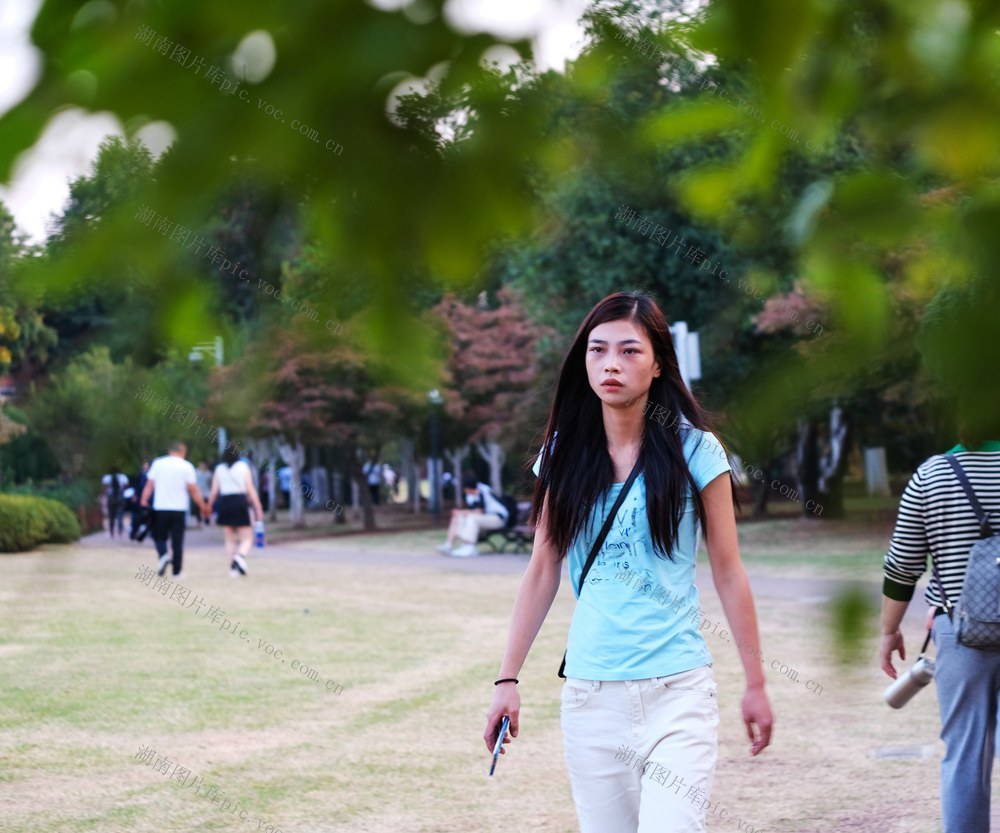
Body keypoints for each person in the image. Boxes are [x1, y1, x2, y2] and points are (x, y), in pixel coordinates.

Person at [482, 292, 773, 833]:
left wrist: (755, 682)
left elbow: (728, 571)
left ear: (658, 362)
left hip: (678, 692)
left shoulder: (697, 451)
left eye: (629, 351)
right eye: (598, 350)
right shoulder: (563, 455)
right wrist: (507, 679)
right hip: (592, 699)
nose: (611, 363)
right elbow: (542, 567)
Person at [880, 437, 1000, 831]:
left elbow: (902, 566)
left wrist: (889, 630)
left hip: (961, 633)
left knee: (966, 753)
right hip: (958, 628)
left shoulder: (933, 475)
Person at [141, 441, 210, 578]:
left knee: (159, 536)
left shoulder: (158, 464)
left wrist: (143, 500)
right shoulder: (187, 466)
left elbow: (149, 485)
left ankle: (163, 555)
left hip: (160, 507)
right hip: (179, 509)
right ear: (183, 451)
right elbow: (193, 489)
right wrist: (203, 506)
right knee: (177, 541)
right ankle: (177, 572)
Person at [208, 447, 264, 577]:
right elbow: (250, 488)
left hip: (224, 502)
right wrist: (258, 506)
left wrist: (208, 506)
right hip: (239, 501)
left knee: (229, 539)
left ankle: (233, 569)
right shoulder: (243, 467)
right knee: (247, 537)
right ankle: (240, 557)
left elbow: (214, 491)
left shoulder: (219, 469)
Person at [437, 474, 509, 557]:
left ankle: (470, 547)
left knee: (472, 518)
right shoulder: (472, 496)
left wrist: (462, 512)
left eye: (466, 489)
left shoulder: (483, 492)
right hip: (487, 518)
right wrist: (462, 513)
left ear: (468, 488)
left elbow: (480, 511)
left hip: (498, 518)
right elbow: (474, 510)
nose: (465, 491)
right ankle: (461, 545)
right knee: (460, 518)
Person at [101, 467, 129, 538]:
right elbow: (126, 486)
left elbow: (104, 488)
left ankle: (111, 531)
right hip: (120, 498)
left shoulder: (107, 477)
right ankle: (120, 531)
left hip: (111, 498)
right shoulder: (123, 477)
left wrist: (103, 495)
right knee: (120, 515)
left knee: (111, 516)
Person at [129, 460, 150, 540]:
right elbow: (137, 486)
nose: (145, 468)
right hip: (139, 499)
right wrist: (135, 495)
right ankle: (134, 533)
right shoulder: (141, 475)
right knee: (136, 517)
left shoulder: (150, 476)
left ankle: (141, 534)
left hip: (147, 500)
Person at [194, 461, 212, 527]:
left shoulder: (209, 473)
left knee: (206, 506)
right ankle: (199, 520)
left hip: (206, 492)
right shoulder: (196, 472)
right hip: (198, 493)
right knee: (197, 507)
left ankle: (207, 519)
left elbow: (210, 483)